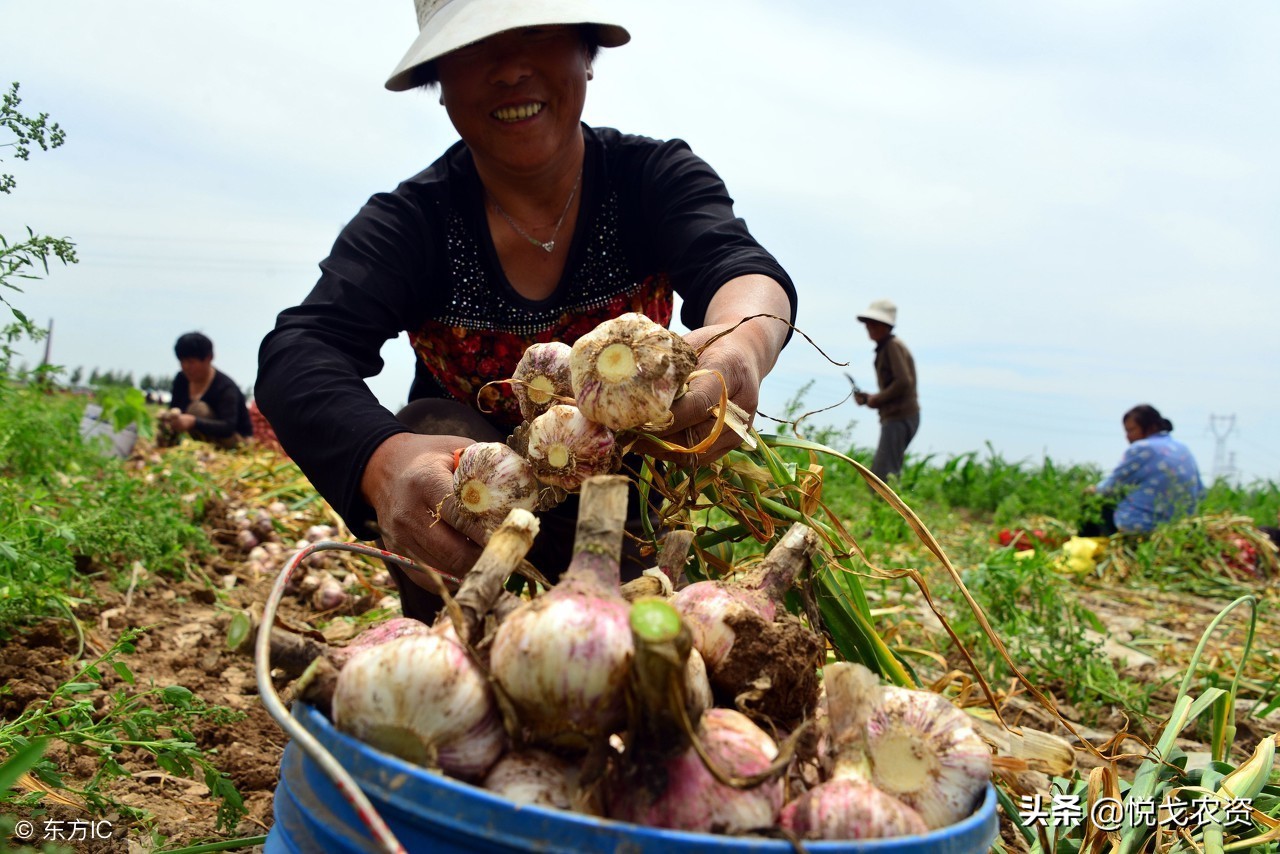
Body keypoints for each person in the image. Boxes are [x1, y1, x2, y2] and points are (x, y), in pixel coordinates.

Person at [255, 1, 797, 622]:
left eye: (534, 31)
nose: (510, 68)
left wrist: (743, 343)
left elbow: (737, 265)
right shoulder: (413, 222)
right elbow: (302, 349)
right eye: (472, 45)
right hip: (468, 497)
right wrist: (381, 463)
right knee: (432, 421)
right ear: (439, 80)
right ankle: (449, 639)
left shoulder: (650, 180)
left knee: (621, 632)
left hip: (620, 487)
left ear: (586, 52)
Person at [1083, 404, 1203, 535]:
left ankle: (1088, 542)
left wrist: (1092, 490)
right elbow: (1201, 491)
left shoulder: (1142, 448)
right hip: (1180, 523)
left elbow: (1109, 488)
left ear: (1150, 427)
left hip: (1144, 524)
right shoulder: (1182, 448)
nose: (1128, 437)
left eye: (1131, 430)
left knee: (1095, 501)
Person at [852, 299, 918, 482]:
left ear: (886, 326)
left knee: (883, 476)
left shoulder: (892, 346)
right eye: (868, 322)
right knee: (885, 472)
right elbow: (896, 386)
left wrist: (877, 399)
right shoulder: (886, 347)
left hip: (900, 417)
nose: (869, 327)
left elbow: (903, 382)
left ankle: (889, 502)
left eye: (874, 323)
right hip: (897, 417)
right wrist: (870, 398)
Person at [160, 332, 253, 449]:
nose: (186, 367)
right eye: (182, 361)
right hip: (200, 439)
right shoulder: (181, 379)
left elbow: (228, 427)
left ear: (209, 358)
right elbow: (174, 407)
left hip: (234, 440)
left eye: (191, 362)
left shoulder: (225, 387)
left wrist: (193, 422)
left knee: (198, 409)